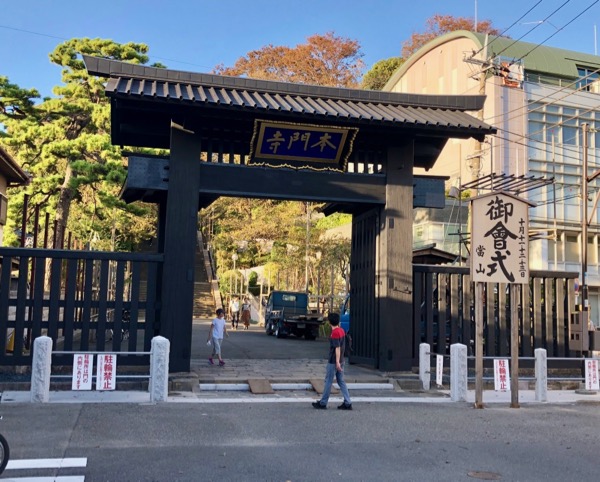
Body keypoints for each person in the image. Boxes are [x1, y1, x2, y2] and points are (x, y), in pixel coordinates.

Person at [312, 312, 352, 410]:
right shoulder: (342, 330)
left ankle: (323, 403)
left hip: (333, 361)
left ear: (329, 322)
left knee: (328, 381)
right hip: (341, 360)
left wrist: (337, 362)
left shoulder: (334, 333)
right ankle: (348, 401)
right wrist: (340, 361)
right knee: (341, 380)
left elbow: (337, 348)